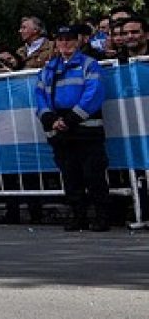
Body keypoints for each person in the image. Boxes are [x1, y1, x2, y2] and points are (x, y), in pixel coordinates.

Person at [35, 25, 109, 231]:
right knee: (70, 176)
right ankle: (78, 217)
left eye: (69, 39)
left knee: (94, 175)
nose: (65, 43)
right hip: (61, 131)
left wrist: (70, 118)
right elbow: (39, 97)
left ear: (78, 41)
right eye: (61, 39)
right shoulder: (48, 69)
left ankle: (102, 217)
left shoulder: (89, 64)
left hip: (86, 129)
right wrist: (50, 119)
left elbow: (93, 94)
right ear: (56, 42)